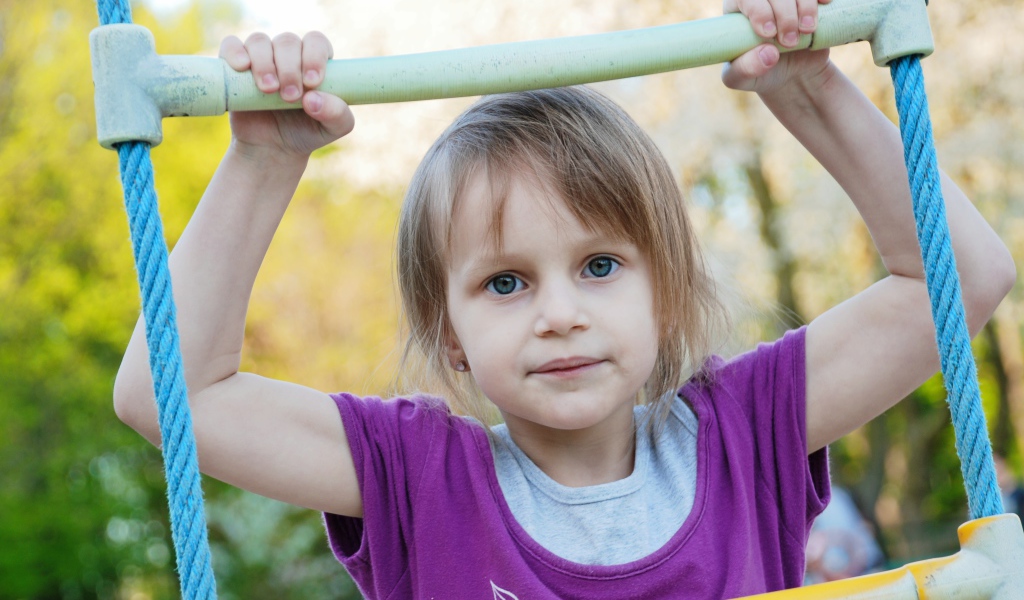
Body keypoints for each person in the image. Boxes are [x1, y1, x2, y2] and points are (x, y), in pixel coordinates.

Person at [112, 0, 1015, 596]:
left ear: (666, 293)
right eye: (505, 282)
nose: (559, 313)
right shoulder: (420, 476)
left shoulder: (747, 431)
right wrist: (263, 161)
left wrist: (808, 86)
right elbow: (169, 397)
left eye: (600, 266)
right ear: (451, 336)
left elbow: (961, 277)